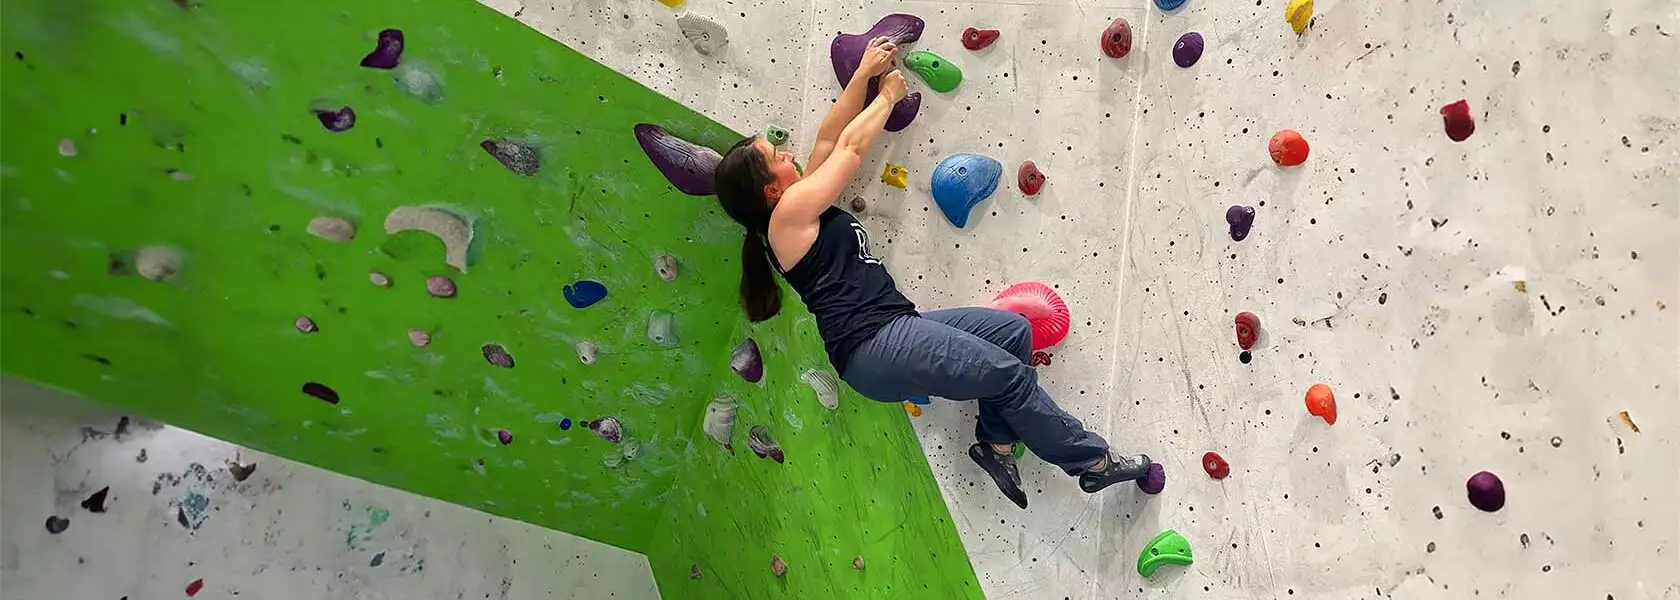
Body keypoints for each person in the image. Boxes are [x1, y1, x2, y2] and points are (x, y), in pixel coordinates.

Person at [710, 37, 1151, 508]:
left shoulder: (799, 209)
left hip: (896, 327)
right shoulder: (787, 218)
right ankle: (1094, 464)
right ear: (771, 191)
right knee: (1009, 377)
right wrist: (887, 96)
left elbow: (828, 139)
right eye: (775, 158)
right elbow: (851, 151)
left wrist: (864, 73)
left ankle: (997, 448)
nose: (786, 154)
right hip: (872, 347)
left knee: (1012, 332)